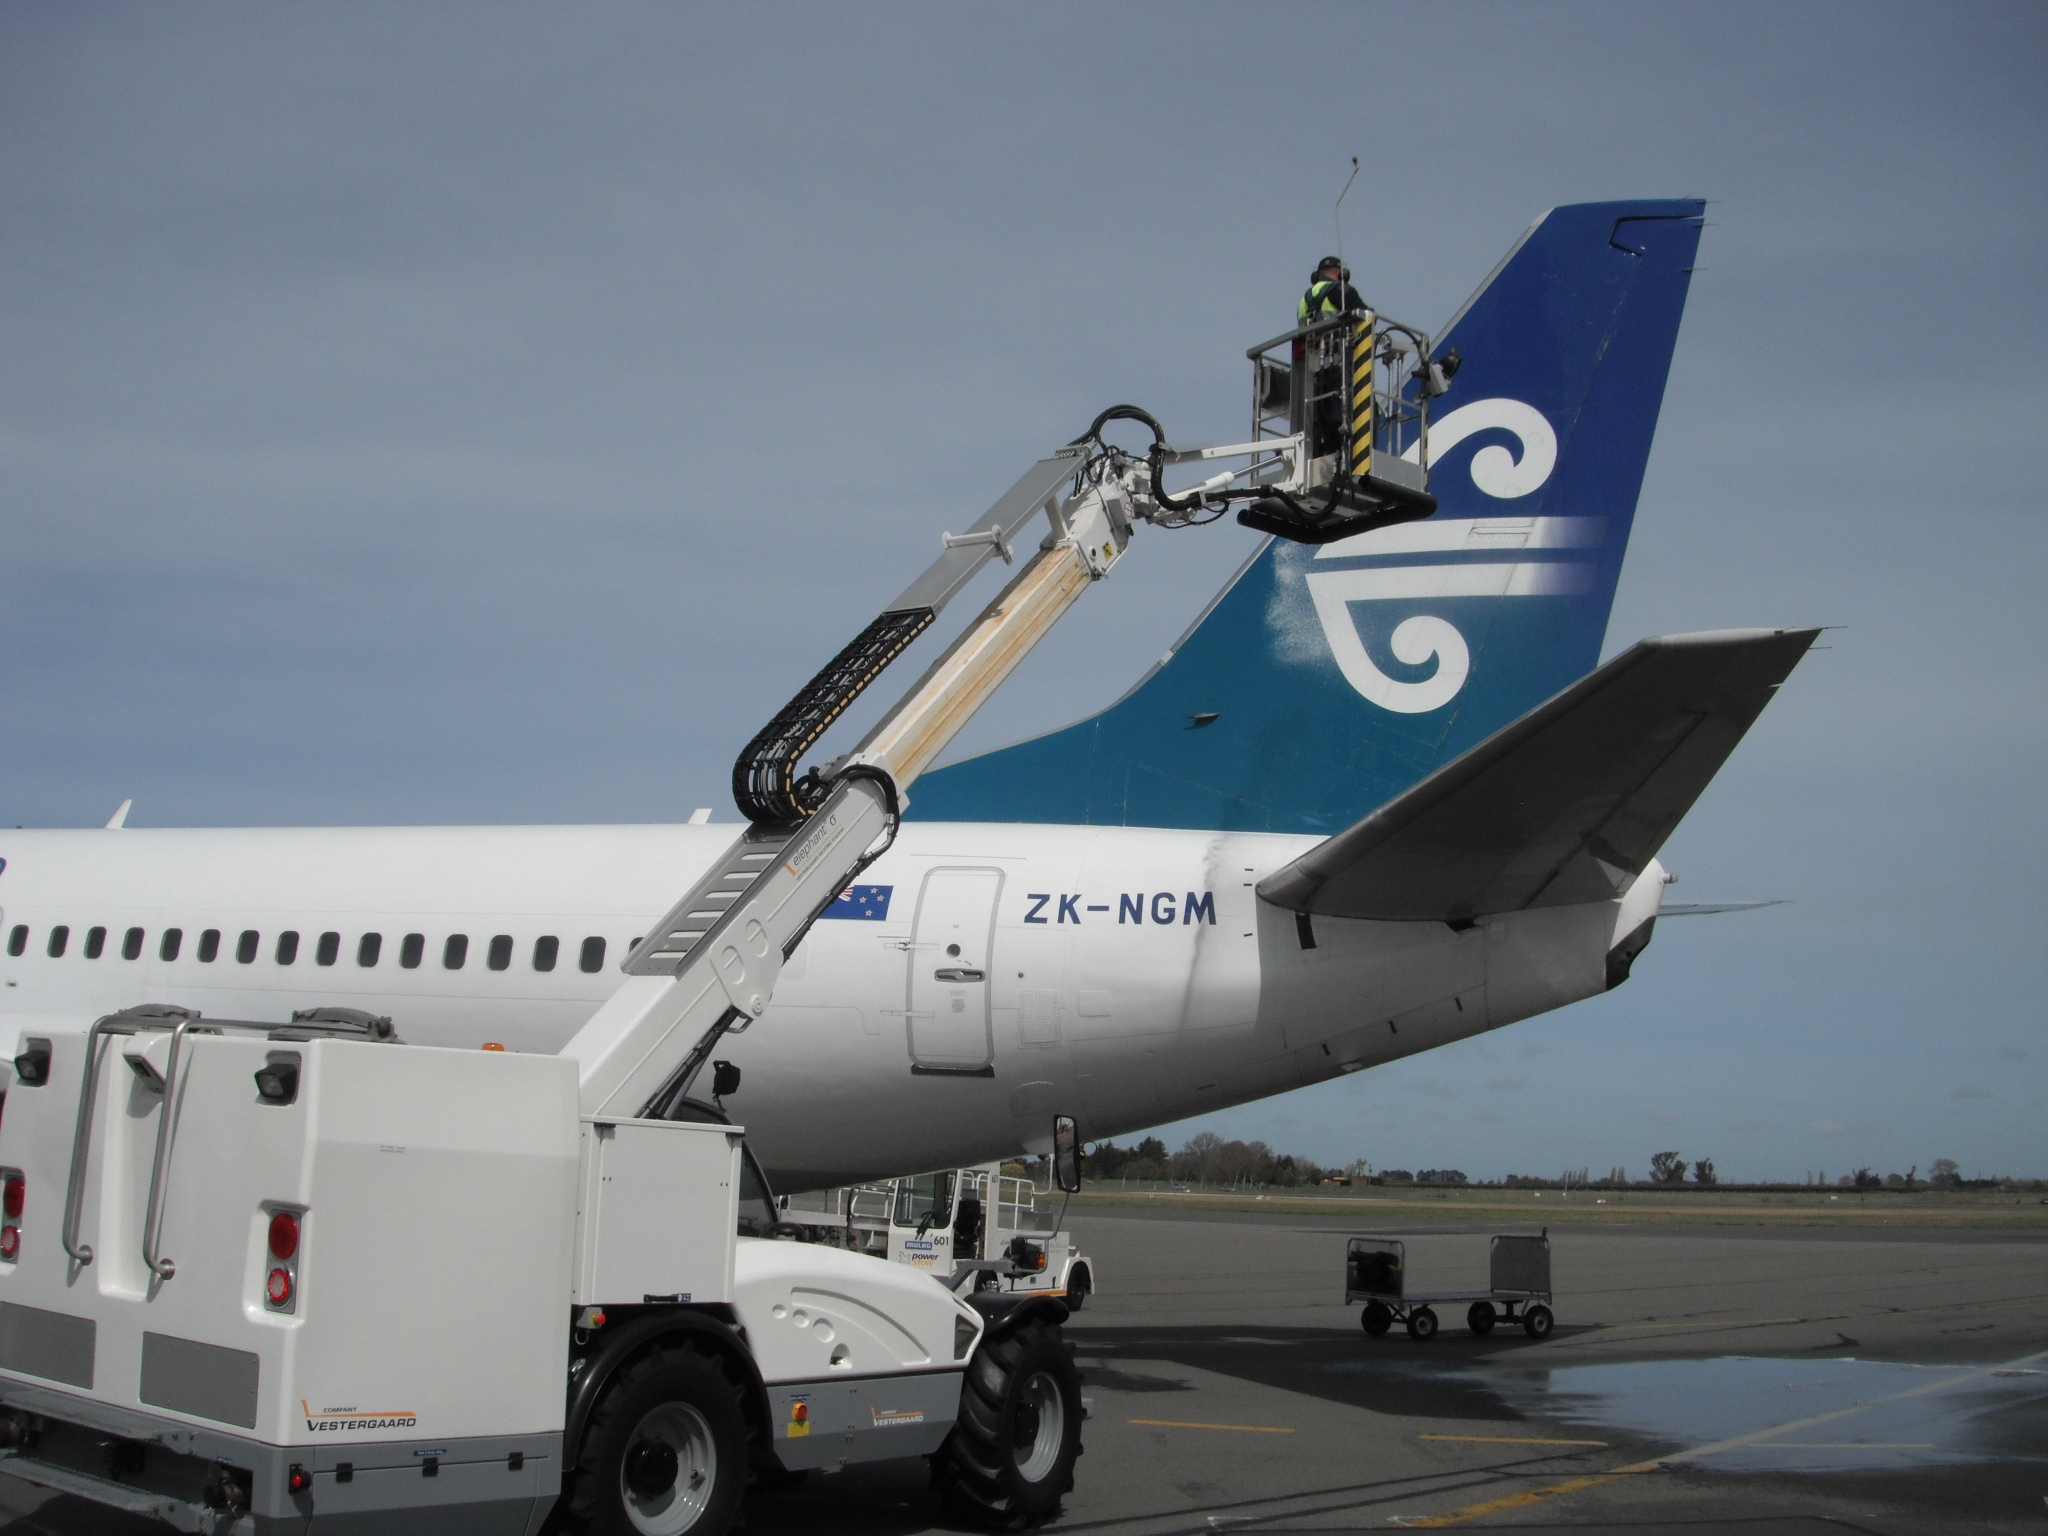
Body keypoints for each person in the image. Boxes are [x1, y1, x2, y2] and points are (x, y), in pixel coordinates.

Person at [1297, 257, 1368, 460]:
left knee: (1321, 411)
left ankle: (1322, 452)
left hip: (1315, 365)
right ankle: (1345, 453)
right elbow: (1364, 314)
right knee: (1345, 410)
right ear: (1339, 272)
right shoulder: (1341, 290)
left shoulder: (1305, 299)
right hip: (1338, 358)